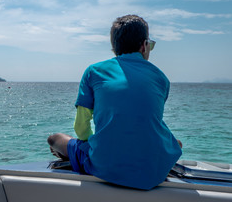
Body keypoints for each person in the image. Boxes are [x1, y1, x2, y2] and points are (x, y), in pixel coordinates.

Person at [47, 14, 182, 190]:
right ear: (144, 46)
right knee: (176, 143)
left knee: (54, 139)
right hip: (153, 171)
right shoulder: (161, 78)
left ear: (114, 48)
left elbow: (81, 128)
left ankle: (75, 155)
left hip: (104, 167)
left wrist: (94, 146)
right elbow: (146, 122)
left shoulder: (94, 72)